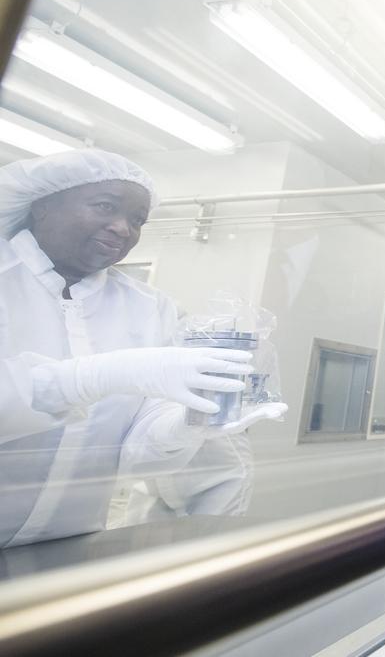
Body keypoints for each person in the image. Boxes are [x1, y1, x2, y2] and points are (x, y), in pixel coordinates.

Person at [0, 149, 284, 547]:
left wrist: (187, 424)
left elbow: (132, 458)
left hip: (69, 548)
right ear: (42, 206)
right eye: (105, 207)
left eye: (137, 220)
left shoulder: (151, 309)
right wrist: (90, 378)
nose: (123, 229)